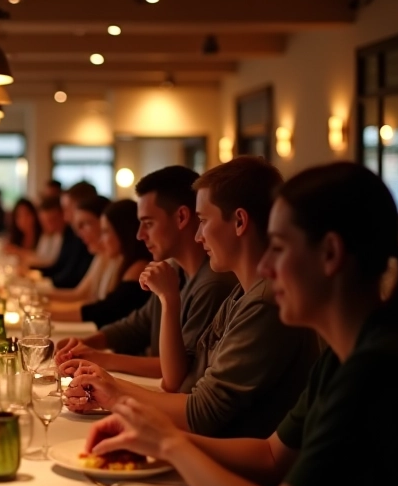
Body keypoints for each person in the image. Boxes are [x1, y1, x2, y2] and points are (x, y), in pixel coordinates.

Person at [84, 162, 398, 486]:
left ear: (330, 254)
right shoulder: (344, 354)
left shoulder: (378, 369)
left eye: (278, 247)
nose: (264, 267)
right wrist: (150, 433)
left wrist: (169, 442)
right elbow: (271, 456)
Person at [63, 157, 319, 439]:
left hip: (227, 463)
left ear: (239, 221)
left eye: (204, 221)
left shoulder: (261, 301)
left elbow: (201, 412)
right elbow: (186, 381)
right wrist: (107, 382)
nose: (198, 236)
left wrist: (113, 390)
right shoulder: (241, 293)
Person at [55, 166, 237, 378]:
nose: (140, 235)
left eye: (148, 224)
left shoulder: (211, 284)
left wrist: (99, 358)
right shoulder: (173, 270)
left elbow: (181, 371)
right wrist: (86, 344)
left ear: (181, 217)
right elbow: (137, 324)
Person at [50, 200, 151, 328]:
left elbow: (106, 311)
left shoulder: (139, 268)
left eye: (106, 231)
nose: (102, 239)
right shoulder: (120, 261)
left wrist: (46, 314)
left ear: (123, 231)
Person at [46, 196, 112, 305]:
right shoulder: (100, 256)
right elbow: (80, 293)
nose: (79, 233)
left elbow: (102, 310)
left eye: (85, 224)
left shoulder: (117, 260)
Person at [36, 182, 95, 288]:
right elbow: (61, 267)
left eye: (67, 209)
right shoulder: (74, 235)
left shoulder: (78, 237)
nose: (65, 218)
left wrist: (39, 286)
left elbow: (73, 279)